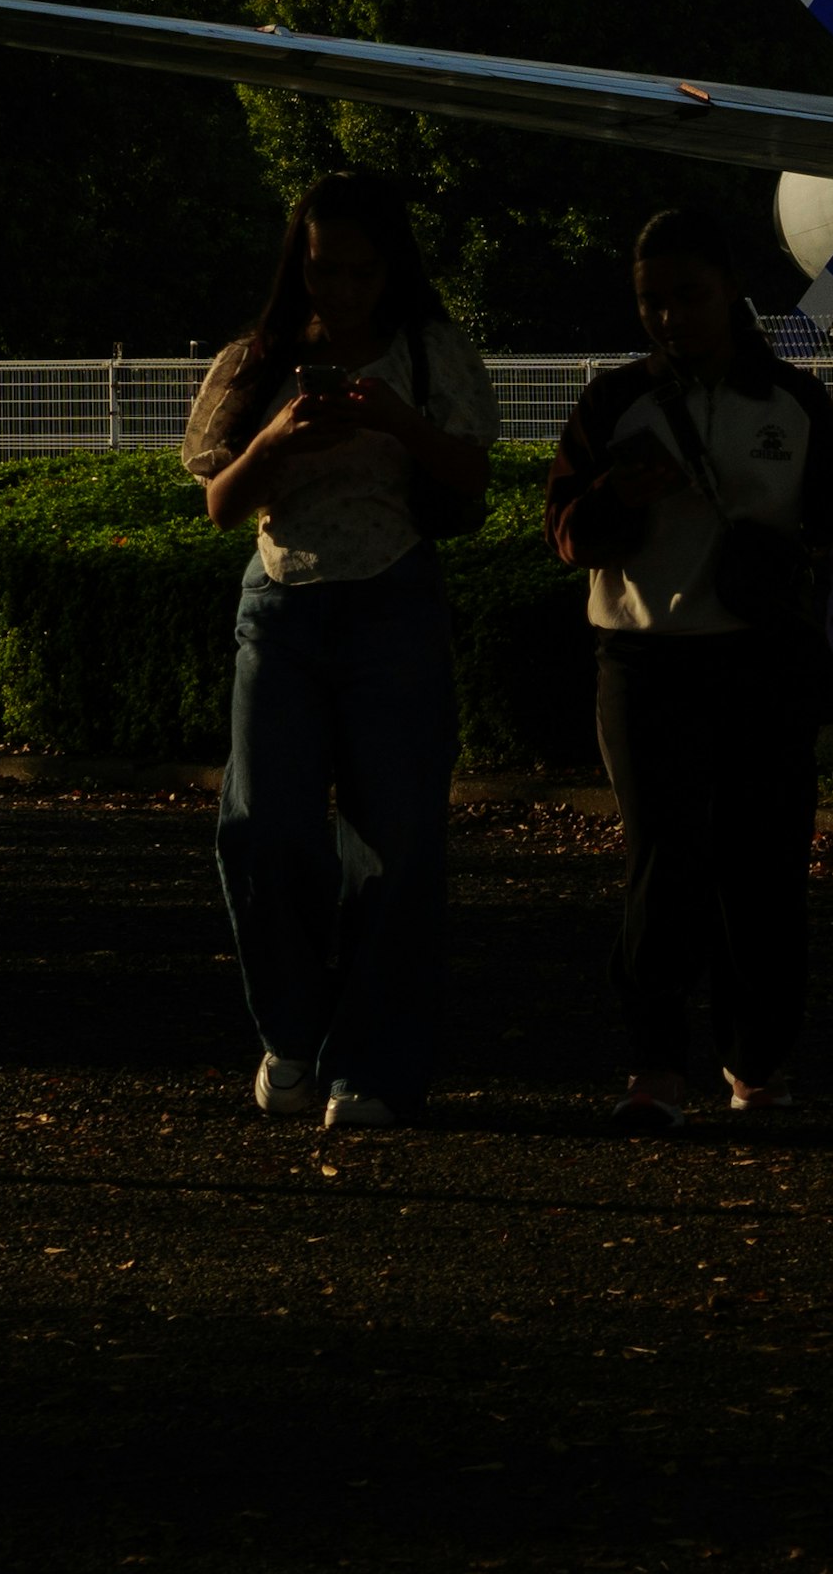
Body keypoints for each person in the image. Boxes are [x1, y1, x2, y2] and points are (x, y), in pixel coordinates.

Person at [545, 207, 833, 1132]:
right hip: (644, 657)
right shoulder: (614, 405)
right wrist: (617, 494)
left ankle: (755, 1069)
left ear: (730, 294)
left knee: (764, 864)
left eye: (685, 297)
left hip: (762, 657)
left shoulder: (795, 402)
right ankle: (655, 1068)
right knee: (662, 861)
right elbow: (566, 536)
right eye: (650, 302)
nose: (666, 318)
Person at [181, 171, 495, 1132]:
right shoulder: (258, 358)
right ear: (299, 266)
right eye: (324, 271)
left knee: (395, 844)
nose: (342, 292)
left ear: (391, 268)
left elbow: (472, 487)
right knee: (263, 828)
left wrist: (393, 419)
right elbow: (219, 503)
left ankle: (373, 1064)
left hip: (393, 596)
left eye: (360, 272)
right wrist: (274, 435)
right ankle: (292, 1035)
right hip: (280, 600)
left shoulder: (434, 355)